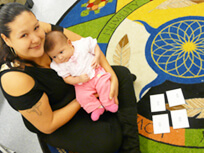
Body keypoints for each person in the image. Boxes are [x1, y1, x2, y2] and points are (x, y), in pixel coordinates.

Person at [0, 2, 140, 153]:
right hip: (57, 112)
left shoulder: (43, 30)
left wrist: (111, 76)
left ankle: (131, 148)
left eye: (36, 27)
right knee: (108, 140)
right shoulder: (14, 78)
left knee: (122, 75)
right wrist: (84, 97)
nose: (36, 39)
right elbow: (48, 124)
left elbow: (87, 47)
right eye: (24, 35)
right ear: (7, 40)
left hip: (77, 84)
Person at [44, 31, 118, 121]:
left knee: (104, 83)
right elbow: (66, 79)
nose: (60, 58)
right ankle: (96, 108)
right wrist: (78, 79)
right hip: (81, 84)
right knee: (81, 97)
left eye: (61, 52)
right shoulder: (59, 65)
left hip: (96, 73)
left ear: (69, 43)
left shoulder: (81, 45)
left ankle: (108, 103)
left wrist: (97, 56)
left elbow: (94, 46)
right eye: (54, 57)